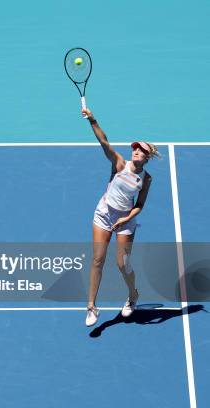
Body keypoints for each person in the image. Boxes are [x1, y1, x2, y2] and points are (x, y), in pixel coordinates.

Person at [82, 108, 160, 327]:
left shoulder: (146, 179)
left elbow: (140, 205)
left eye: (141, 151)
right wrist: (93, 120)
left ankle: (133, 295)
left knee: (122, 264)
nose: (136, 152)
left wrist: (125, 220)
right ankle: (91, 306)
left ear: (147, 157)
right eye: (135, 149)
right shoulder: (118, 164)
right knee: (97, 259)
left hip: (126, 219)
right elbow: (104, 143)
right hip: (104, 214)